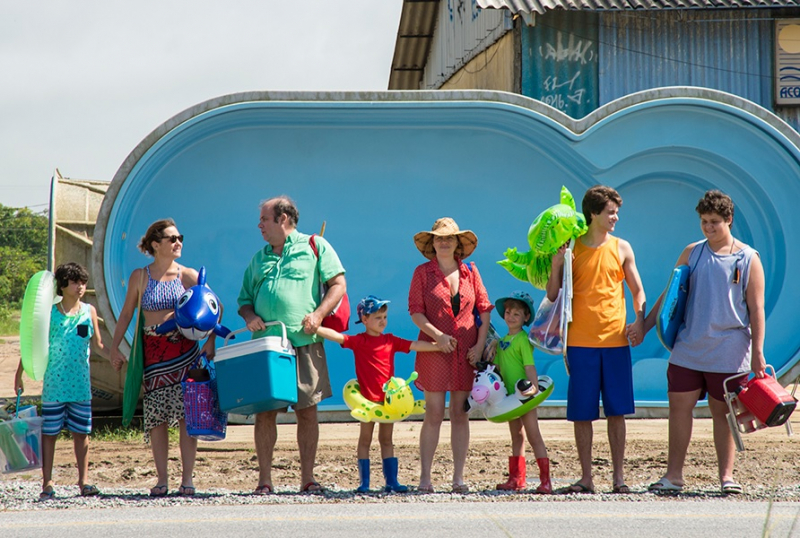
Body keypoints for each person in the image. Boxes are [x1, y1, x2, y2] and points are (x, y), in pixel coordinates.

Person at [644, 190, 765, 495]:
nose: (708, 227)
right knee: (678, 408)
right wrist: (645, 326)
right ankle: (673, 476)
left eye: (714, 222)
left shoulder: (748, 258)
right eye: (703, 221)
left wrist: (758, 353)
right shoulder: (692, 252)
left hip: (730, 350)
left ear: (729, 220)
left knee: (723, 412)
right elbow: (670, 295)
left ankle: (726, 476)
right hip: (689, 347)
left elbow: (756, 309)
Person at [238, 195, 346, 494]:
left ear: (283, 219)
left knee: (307, 411)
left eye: (264, 219)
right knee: (265, 412)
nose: (259, 225)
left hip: (305, 341)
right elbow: (244, 301)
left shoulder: (315, 246)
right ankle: (264, 480)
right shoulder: (258, 258)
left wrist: (319, 314)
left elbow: (338, 284)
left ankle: (307, 479)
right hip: (267, 347)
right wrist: (250, 316)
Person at [546, 185, 646, 494]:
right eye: (611, 212)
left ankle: (619, 478)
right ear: (593, 214)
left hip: (616, 342)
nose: (616, 217)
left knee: (617, 411)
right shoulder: (571, 248)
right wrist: (557, 263)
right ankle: (586, 478)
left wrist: (639, 322)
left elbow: (638, 291)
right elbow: (552, 295)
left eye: (617, 212)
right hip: (579, 343)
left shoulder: (623, 247)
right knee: (582, 412)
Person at [110, 219, 216, 497]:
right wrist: (114, 348)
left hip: (185, 352)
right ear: (156, 245)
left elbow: (215, 306)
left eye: (180, 237)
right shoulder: (140, 276)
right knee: (156, 417)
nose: (178, 242)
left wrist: (212, 341)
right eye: (172, 238)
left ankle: (188, 479)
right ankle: (161, 479)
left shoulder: (187, 275)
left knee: (186, 416)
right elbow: (126, 314)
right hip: (153, 355)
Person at [315, 295, 439, 493]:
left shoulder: (390, 341)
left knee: (387, 440)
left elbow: (414, 345)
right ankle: (364, 483)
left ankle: (392, 481)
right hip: (366, 401)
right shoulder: (359, 341)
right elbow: (337, 337)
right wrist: (315, 327)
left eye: (385, 317)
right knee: (365, 440)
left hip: (387, 403)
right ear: (364, 320)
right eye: (377, 317)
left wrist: (438, 346)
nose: (383, 321)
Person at [409, 217, 492, 493]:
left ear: (458, 243)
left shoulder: (471, 272)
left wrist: (479, 347)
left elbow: (484, 309)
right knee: (433, 413)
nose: (443, 242)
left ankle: (458, 479)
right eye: (439, 238)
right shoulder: (422, 272)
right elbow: (416, 312)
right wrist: (438, 336)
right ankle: (425, 479)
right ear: (432, 244)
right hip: (434, 351)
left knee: (460, 414)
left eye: (449, 238)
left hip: (466, 354)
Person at [14, 263, 109, 500]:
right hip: (54, 386)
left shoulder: (90, 311)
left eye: (83, 282)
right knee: (50, 434)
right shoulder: (49, 313)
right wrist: (19, 374)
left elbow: (98, 345)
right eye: (75, 282)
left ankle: (84, 481)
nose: (81, 287)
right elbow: (32, 343)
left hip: (80, 386)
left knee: (82, 434)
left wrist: (116, 357)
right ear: (63, 285)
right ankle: (47, 482)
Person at [490, 291, 551, 494]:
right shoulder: (501, 342)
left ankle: (545, 480)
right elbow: (497, 369)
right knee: (516, 436)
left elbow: (529, 366)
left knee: (534, 436)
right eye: (508, 312)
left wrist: (533, 389)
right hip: (509, 398)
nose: (511, 316)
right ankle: (517, 479)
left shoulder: (523, 340)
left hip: (524, 396)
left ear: (526, 317)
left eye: (517, 314)